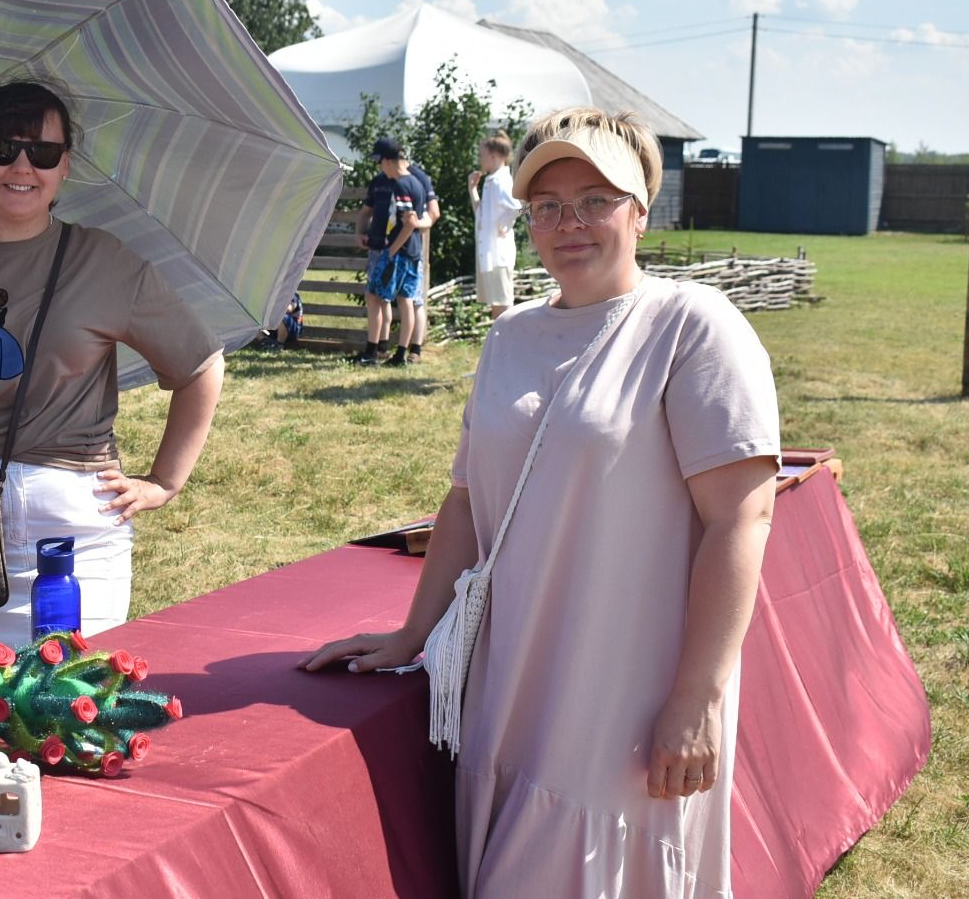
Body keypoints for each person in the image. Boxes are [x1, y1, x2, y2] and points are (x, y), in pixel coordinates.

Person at [304, 106, 780, 897]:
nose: (570, 223)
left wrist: (697, 698)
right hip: (512, 677)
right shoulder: (510, 336)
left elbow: (741, 516)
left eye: (595, 199)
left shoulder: (691, 325)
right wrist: (412, 633)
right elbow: (465, 499)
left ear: (641, 207)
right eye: (549, 206)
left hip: (623, 693)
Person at [0, 80, 224, 672]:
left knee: (72, 711)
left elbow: (200, 365)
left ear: (65, 165)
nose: (22, 167)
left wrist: (166, 481)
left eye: (42, 153)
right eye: (2, 149)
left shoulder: (106, 261)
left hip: (76, 541)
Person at [351, 137, 426, 366]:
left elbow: (409, 223)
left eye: (380, 162)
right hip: (411, 252)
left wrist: (391, 251)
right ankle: (400, 354)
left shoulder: (402, 185)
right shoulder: (417, 183)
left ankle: (373, 352)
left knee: (375, 296)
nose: (380, 168)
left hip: (399, 252)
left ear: (388, 161)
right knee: (405, 301)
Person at [468, 129, 520, 319]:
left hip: (499, 254)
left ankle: (507, 345)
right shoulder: (491, 181)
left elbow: (519, 207)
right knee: (496, 305)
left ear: (494, 155)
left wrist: (505, 224)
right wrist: (472, 189)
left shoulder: (500, 181)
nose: (480, 159)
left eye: (482, 155)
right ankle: (500, 345)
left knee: (503, 303)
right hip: (491, 253)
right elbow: (481, 215)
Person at [404, 161, 441, 362]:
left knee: (415, 299)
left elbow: (434, 213)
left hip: (414, 247)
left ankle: (415, 350)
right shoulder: (387, 176)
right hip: (395, 248)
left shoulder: (419, 176)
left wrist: (417, 224)